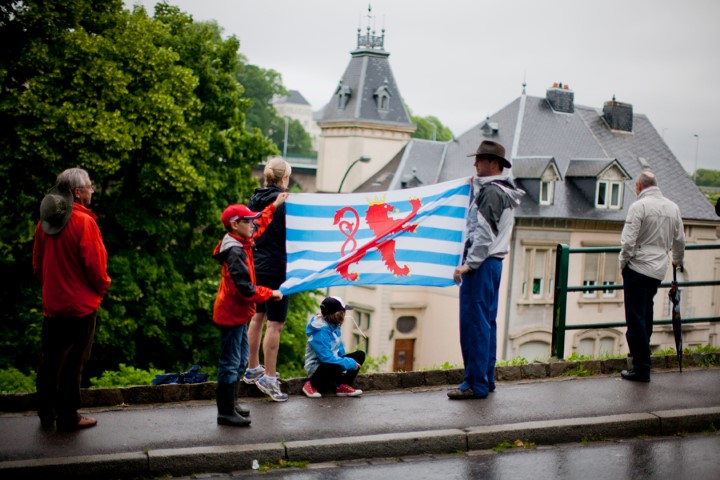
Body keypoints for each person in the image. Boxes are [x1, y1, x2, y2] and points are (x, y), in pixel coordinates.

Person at [32, 168, 111, 431]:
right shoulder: (85, 223)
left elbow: (37, 265)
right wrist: (101, 290)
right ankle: (68, 416)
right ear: (77, 193)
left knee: (49, 360)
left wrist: (52, 289)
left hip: (52, 306)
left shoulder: (45, 224)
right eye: (89, 186)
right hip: (80, 308)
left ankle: (45, 413)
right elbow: (96, 267)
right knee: (73, 362)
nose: (92, 190)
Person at [448, 140, 524, 400]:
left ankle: (475, 384)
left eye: (479, 159)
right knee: (486, 324)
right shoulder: (501, 190)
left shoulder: (491, 193)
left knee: (474, 325)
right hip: (493, 265)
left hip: (481, 266)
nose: (475, 163)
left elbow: (483, 233)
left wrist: (468, 265)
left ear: (493, 164)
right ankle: (485, 380)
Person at [212, 194, 287, 427]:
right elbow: (245, 289)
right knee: (230, 362)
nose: (253, 224)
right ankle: (225, 412)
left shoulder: (242, 240)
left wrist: (273, 206)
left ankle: (232, 404)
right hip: (231, 314)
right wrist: (271, 293)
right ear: (236, 224)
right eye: (248, 221)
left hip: (239, 314)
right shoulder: (235, 252)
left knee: (241, 358)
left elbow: (261, 223)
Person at [619, 171, 684, 382]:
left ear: (638, 186)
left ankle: (641, 368)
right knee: (646, 314)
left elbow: (628, 243)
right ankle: (642, 361)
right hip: (658, 270)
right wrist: (676, 260)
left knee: (635, 318)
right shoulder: (673, 207)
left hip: (637, 268)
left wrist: (623, 264)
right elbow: (679, 241)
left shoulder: (639, 207)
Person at [243, 158, 292, 402]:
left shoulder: (255, 199)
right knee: (276, 324)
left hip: (257, 265)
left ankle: (253, 368)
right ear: (284, 179)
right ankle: (270, 378)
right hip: (277, 268)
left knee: (257, 317)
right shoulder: (284, 203)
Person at [302, 296, 365, 398]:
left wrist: (344, 361)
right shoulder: (321, 330)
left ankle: (341, 385)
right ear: (338, 314)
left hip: (332, 362)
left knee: (359, 355)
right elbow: (326, 357)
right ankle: (311, 384)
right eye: (343, 312)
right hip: (317, 367)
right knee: (334, 364)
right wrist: (347, 363)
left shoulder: (334, 326)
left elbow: (339, 348)